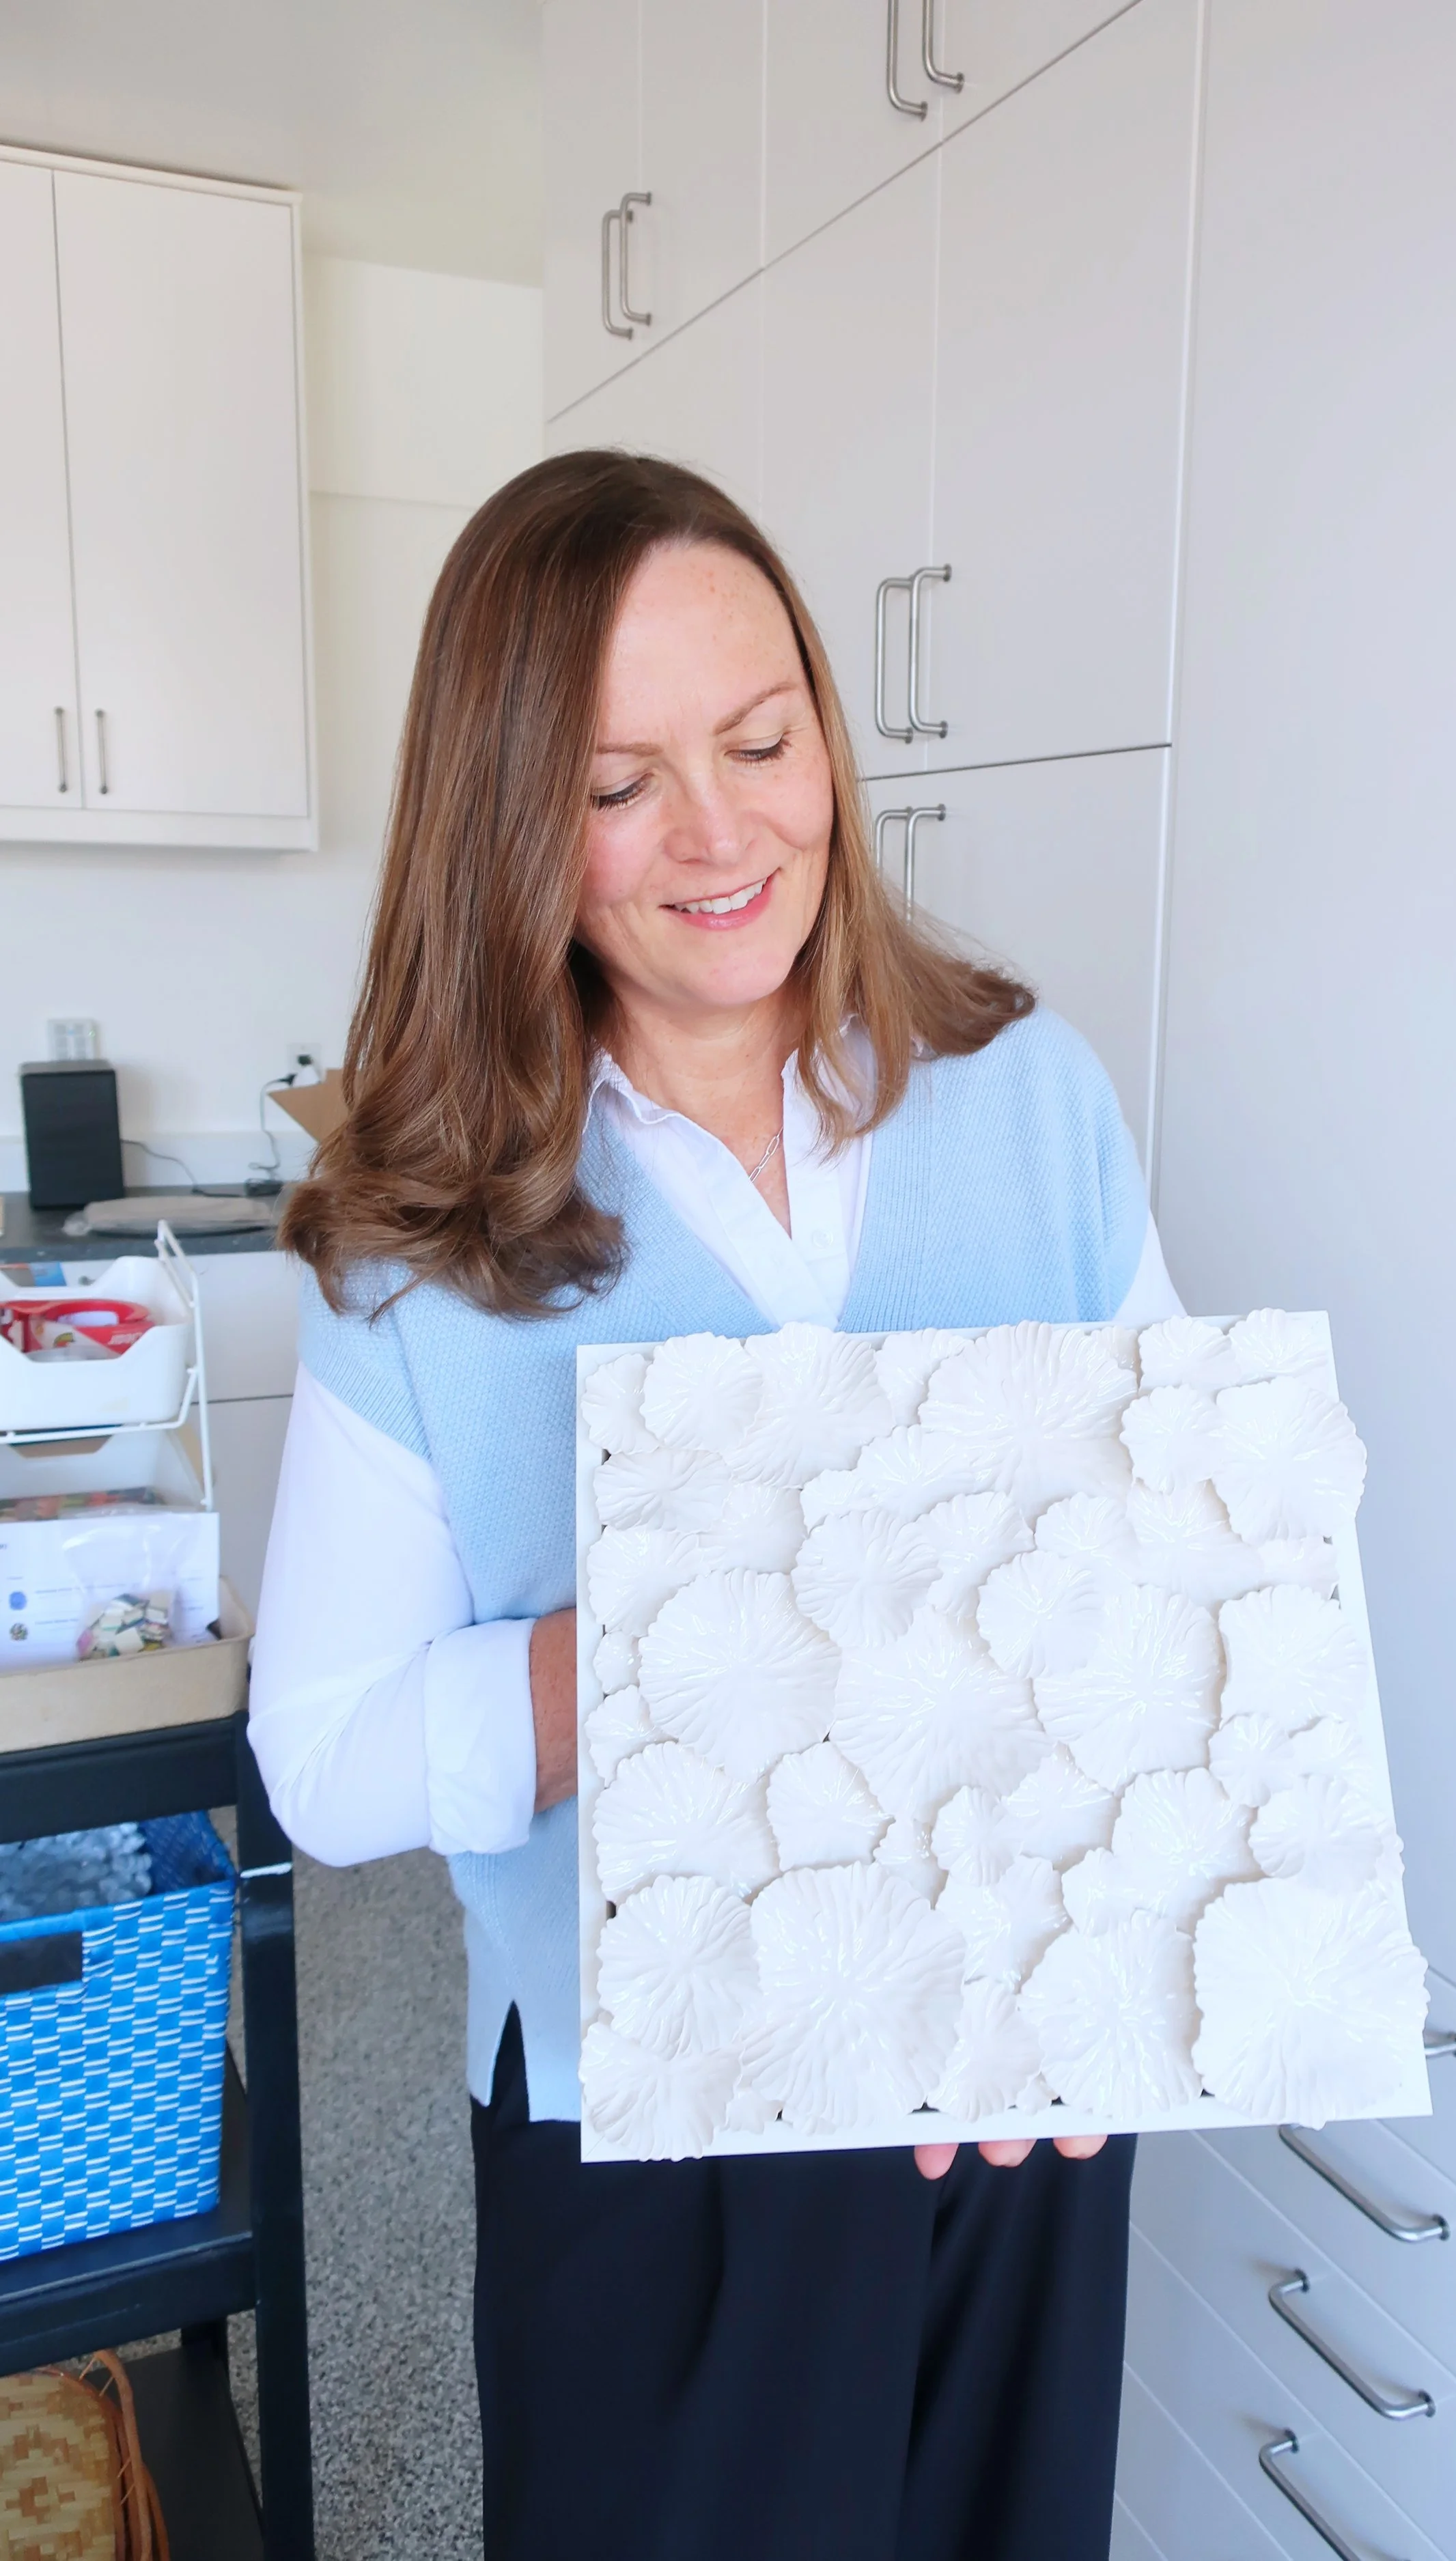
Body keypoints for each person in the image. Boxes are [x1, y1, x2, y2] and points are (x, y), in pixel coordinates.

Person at [249, 450, 1186, 2561]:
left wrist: (1137, 1940)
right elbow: (321, 1752)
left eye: (763, 741)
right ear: (510, 820)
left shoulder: (1030, 1103)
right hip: (644, 2141)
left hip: (998, 2093)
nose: (721, 832)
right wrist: (688, 1639)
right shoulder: (415, 1233)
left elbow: (1173, 1565)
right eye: (616, 782)